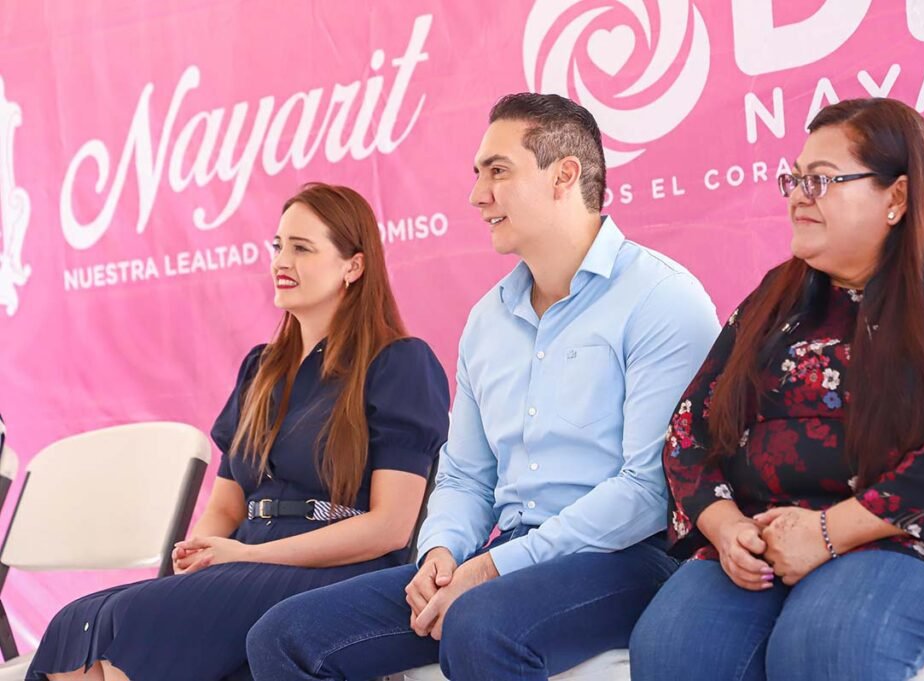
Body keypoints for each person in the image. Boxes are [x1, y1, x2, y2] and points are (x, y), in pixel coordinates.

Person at [246, 93, 720, 681]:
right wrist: (441, 552)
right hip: (502, 555)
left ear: (564, 176)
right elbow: (466, 474)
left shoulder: (661, 299)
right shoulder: (486, 320)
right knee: (284, 636)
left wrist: (493, 568)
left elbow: (649, 491)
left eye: (498, 171)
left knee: (480, 623)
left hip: (629, 556)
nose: (477, 195)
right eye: (477, 174)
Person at [630, 98, 924, 680]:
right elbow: (692, 426)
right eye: (793, 178)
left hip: (910, 544)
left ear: (897, 197)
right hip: (764, 539)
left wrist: (825, 532)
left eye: (821, 180)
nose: (797, 195)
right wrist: (726, 526)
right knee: (671, 650)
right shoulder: (777, 296)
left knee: (825, 645)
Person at [28, 183, 450, 681]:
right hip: (245, 559)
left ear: (352, 267)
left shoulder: (399, 362)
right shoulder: (262, 368)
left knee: (131, 625)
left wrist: (248, 555)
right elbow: (225, 508)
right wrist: (200, 551)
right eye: (278, 246)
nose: (281, 261)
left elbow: (390, 527)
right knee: (74, 626)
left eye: (302, 248)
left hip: (335, 572)